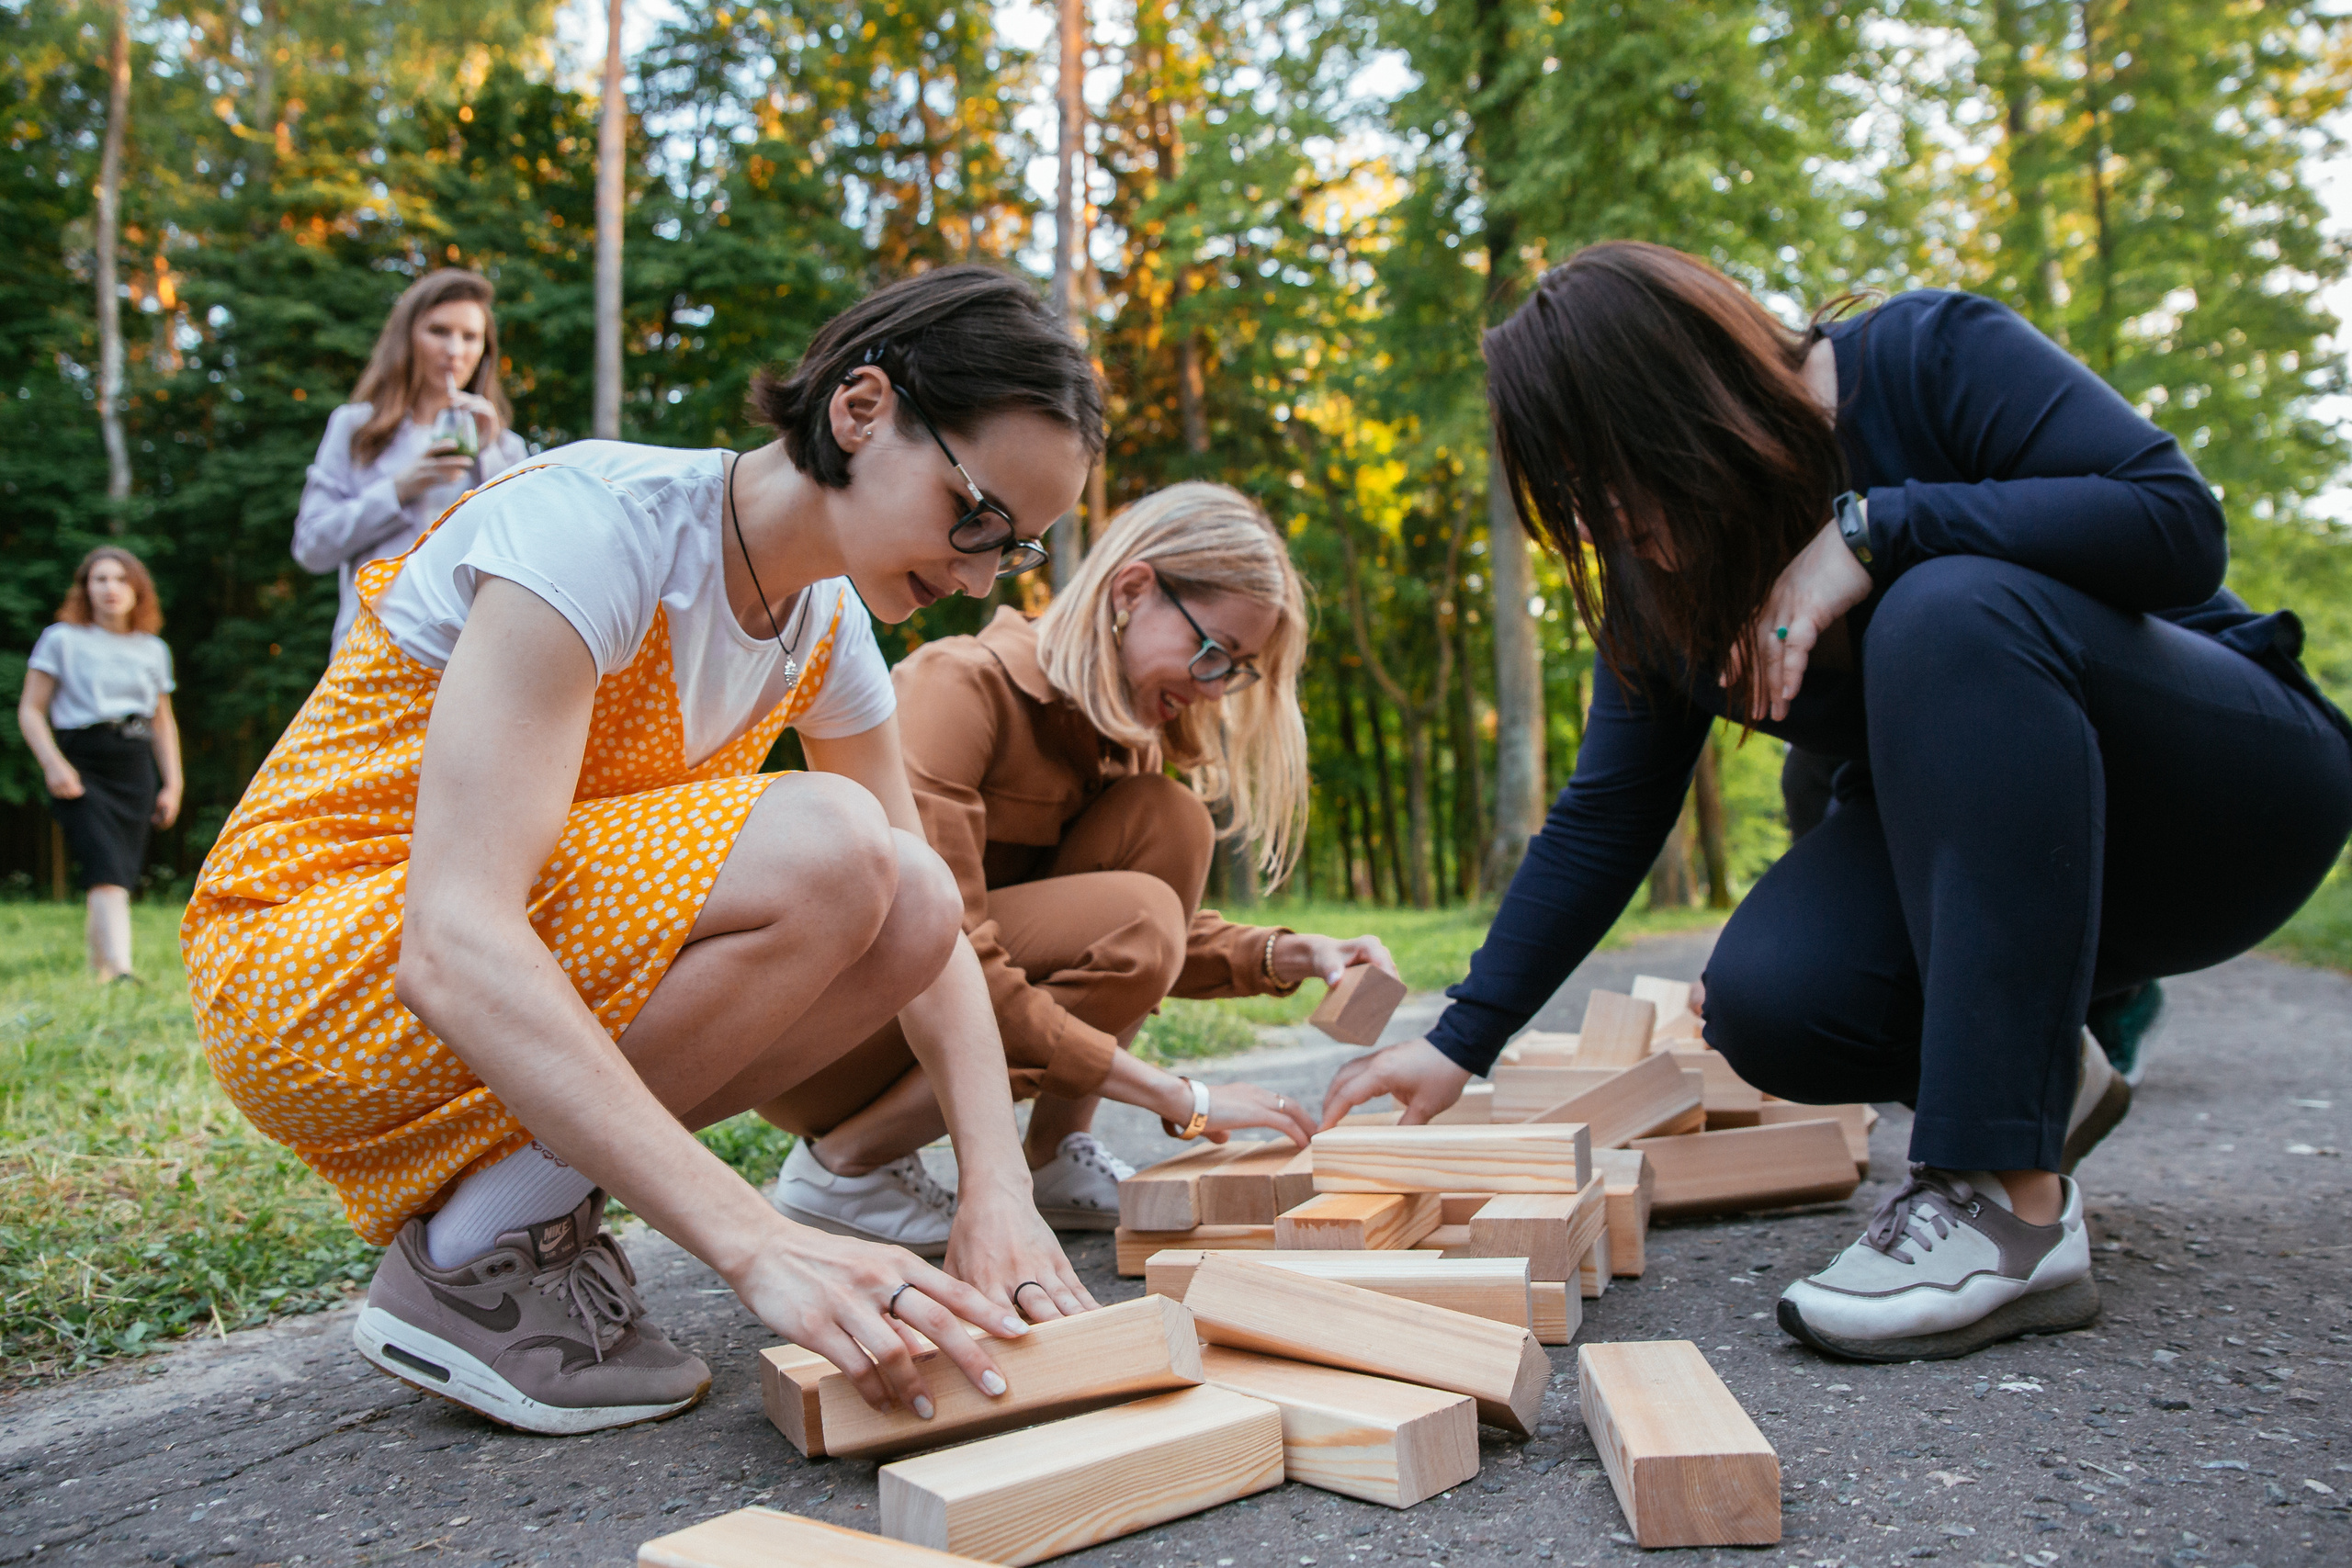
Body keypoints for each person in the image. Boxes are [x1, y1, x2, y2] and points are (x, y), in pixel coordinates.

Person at [1323, 242, 2352, 1362]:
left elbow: (2176, 524)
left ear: (1683, 411)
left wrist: (1877, 530)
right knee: (1771, 999)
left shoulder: (1923, 358)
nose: (1602, 529)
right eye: (1573, 501)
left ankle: (2001, 1206)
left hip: (2228, 799)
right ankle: (2039, 1073)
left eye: (1608, 483)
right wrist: (1459, 1041)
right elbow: (1606, 815)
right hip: (2026, 879)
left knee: (1946, 606)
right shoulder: (1654, 583)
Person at [183, 265, 1109, 1435]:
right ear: (860, 410)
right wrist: (758, 1245)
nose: (978, 574)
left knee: (910, 896)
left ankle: (494, 1236)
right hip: (311, 966)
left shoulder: (822, 626)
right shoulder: (599, 529)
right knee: (837, 842)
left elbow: (931, 928)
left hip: (459, 981)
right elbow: (454, 940)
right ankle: (480, 1259)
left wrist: (999, 1193)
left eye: (1013, 550)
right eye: (974, 515)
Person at [762, 483, 1397, 1249]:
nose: (1211, 687)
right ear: (1133, 590)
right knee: (1140, 908)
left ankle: (1056, 1153)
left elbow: (1133, 941)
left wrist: (1293, 953)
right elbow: (961, 959)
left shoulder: (1119, 734)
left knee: (1171, 820)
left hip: (928, 1008)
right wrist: (1179, 1094)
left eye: (1233, 669)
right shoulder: (958, 687)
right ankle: (845, 1166)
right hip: (826, 1034)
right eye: (1210, 652)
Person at [293, 268, 530, 652]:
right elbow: (312, 547)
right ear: (407, 338)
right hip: (372, 647)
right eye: (439, 331)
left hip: (470, 652)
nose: (454, 350)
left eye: (470, 336)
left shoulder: (506, 447)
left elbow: (525, 553)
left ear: (485, 350)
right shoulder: (356, 428)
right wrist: (400, 489)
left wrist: (488, 456)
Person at [17, 547, 183, 980]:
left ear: (137, 590)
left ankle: (101, 969)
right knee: (105, 865)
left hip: (134, 762)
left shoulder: (153, 649)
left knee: (115, 871)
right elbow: (31, 710)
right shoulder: (61, 639)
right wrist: (54, 764)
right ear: (85, 588)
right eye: (99, 579)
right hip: (82, 760)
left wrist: (173, 783)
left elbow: (162, 721)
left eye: (120, 580)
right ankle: (123, 968)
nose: (110, 589)